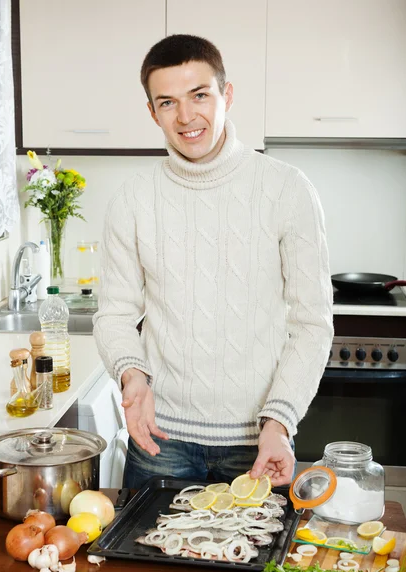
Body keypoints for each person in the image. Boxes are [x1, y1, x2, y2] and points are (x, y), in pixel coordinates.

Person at [93, 34, 334, 490]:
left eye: (199, 95)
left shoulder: (287, 188)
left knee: (256, 564)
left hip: (259, 442)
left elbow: (312, 323)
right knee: (144, 563)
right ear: (152, 112)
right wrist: (132, 376)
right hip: (160, 440)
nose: (186, 117)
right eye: (167, 102)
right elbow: (116, 314)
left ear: (226, 94)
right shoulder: (133, 199)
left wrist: (280, 421)